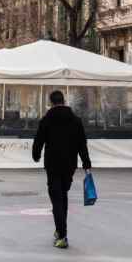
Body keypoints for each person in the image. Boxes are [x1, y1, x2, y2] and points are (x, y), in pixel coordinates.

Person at [33, 90, 91, 250]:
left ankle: (62, 235)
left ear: (51, 102)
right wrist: (86, 164)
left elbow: (39, 140)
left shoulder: (47, 119)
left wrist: (36, 155)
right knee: (63, 195)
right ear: (64, 101)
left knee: (57, 199)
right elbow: (82, 144)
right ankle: (60, 229)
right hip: (69, 165)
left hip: (52, 164)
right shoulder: (76, 120)